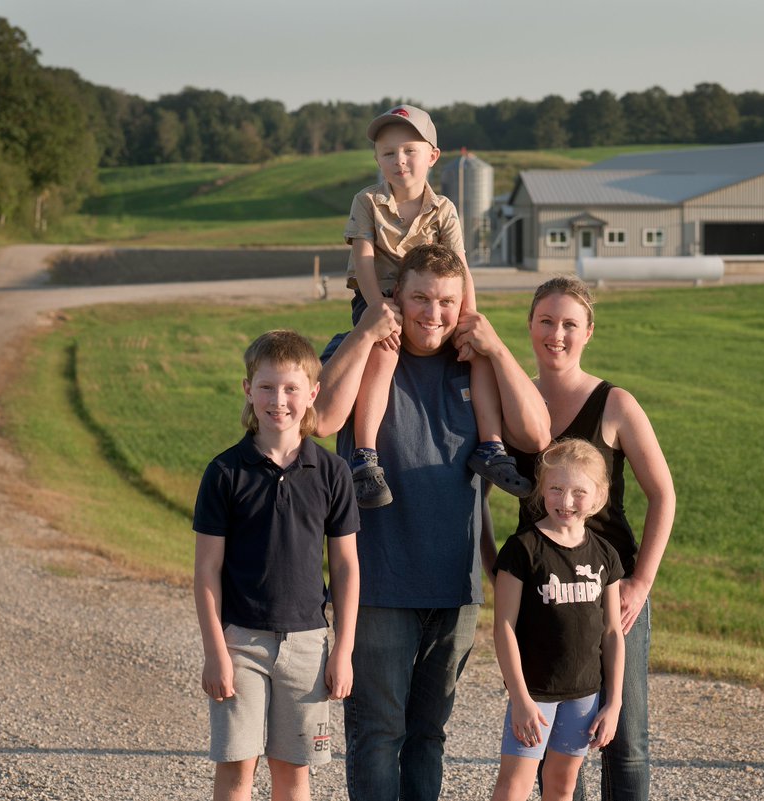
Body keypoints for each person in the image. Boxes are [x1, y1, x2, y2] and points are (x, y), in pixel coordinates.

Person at [314, 243, 550, 801]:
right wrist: (367, 333)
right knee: (377, 733)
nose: (433, 313)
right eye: (420, 297)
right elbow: (320, 418)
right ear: (397, 294)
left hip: (455, 587)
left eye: (447, 301)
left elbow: (537, 437)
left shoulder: (474, 365)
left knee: (428, 735)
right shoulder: (362, 350)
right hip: (378, 583)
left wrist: (496, 348)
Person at [506, 276, 676, 801]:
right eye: (546, 322)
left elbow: (663, 494)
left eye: (569, 325)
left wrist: (641, 582)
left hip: (611, 591)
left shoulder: (614, 403)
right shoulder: (516, 400)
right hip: (543, 595)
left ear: (589, 332)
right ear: (530, 326)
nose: (556, 334)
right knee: (557, 738)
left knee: (624, 738)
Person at [192, 329, 361, 801]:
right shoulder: (225, 472)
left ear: (312, 393)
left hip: (308, 644)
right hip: (240, 641)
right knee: (236, 771)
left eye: (290, 389)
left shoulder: (332, 473)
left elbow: (345, 566)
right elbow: (206, 571)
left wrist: (342, 649)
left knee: (293, 774)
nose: (278, 401)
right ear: (248, 389)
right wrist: (215, 651)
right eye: (266, 387)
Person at [344, 103, 530, 508]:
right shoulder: (368, 201)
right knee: (384, 349)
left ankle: (491, 446)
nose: (399, 161)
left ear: (432, 156)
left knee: (479, 351)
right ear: (377, 159)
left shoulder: (444, 208)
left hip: (433, 302)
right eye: (388, 153)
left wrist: (469, 320)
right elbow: (365, 257)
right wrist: (378, 310)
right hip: (381, 297)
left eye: (410, 150)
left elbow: (460, 267)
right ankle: (365, 455)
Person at [491, 438, 625, 801]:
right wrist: (519, 698)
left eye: (578, 492)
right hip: (534, 694)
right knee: (514, 786)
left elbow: (613, 632)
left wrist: (613, 703)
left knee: (563, 786)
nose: (566, 501)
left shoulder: (605, 555)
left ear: (598, 497)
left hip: (584, 694)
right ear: (541, 490)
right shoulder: (522, 549)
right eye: (556, 489)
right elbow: (503, 626)